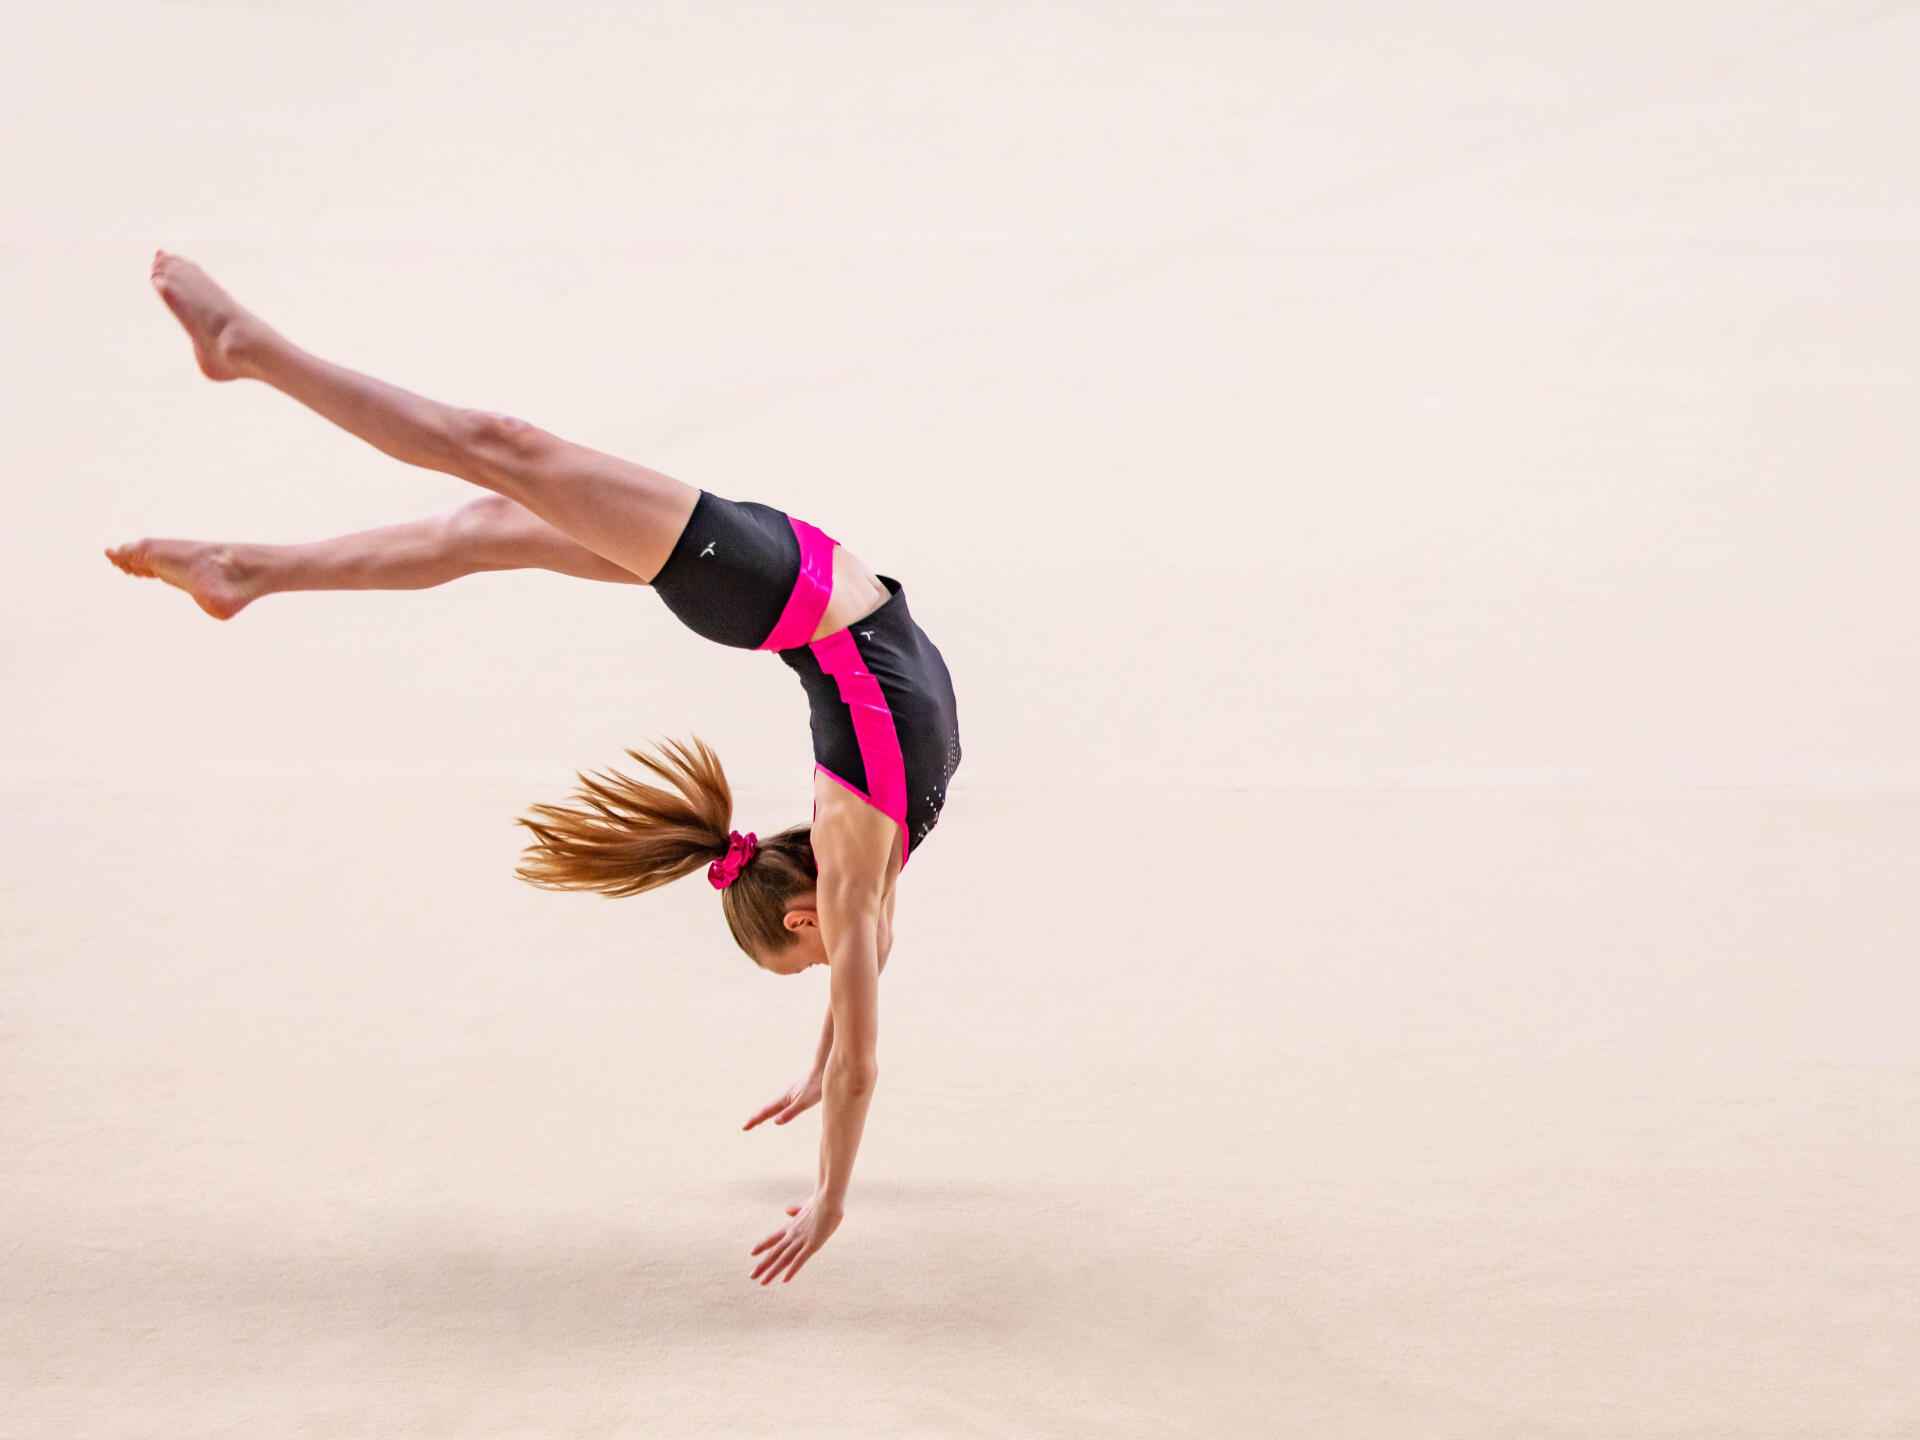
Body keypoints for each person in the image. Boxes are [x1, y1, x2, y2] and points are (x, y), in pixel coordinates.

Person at [105, 252, 962, 1287]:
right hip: (763, 580)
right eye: (818, 963)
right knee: (491, 471)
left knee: (494, 489)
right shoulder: (860, 877)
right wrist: (829, 1190)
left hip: (774, 584)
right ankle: (249, 373)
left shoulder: (860, 861)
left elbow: (851, 999)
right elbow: (863, 1052)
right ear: (800, 918)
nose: (843, 969)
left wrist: (817, 1065)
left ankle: (245, 562)